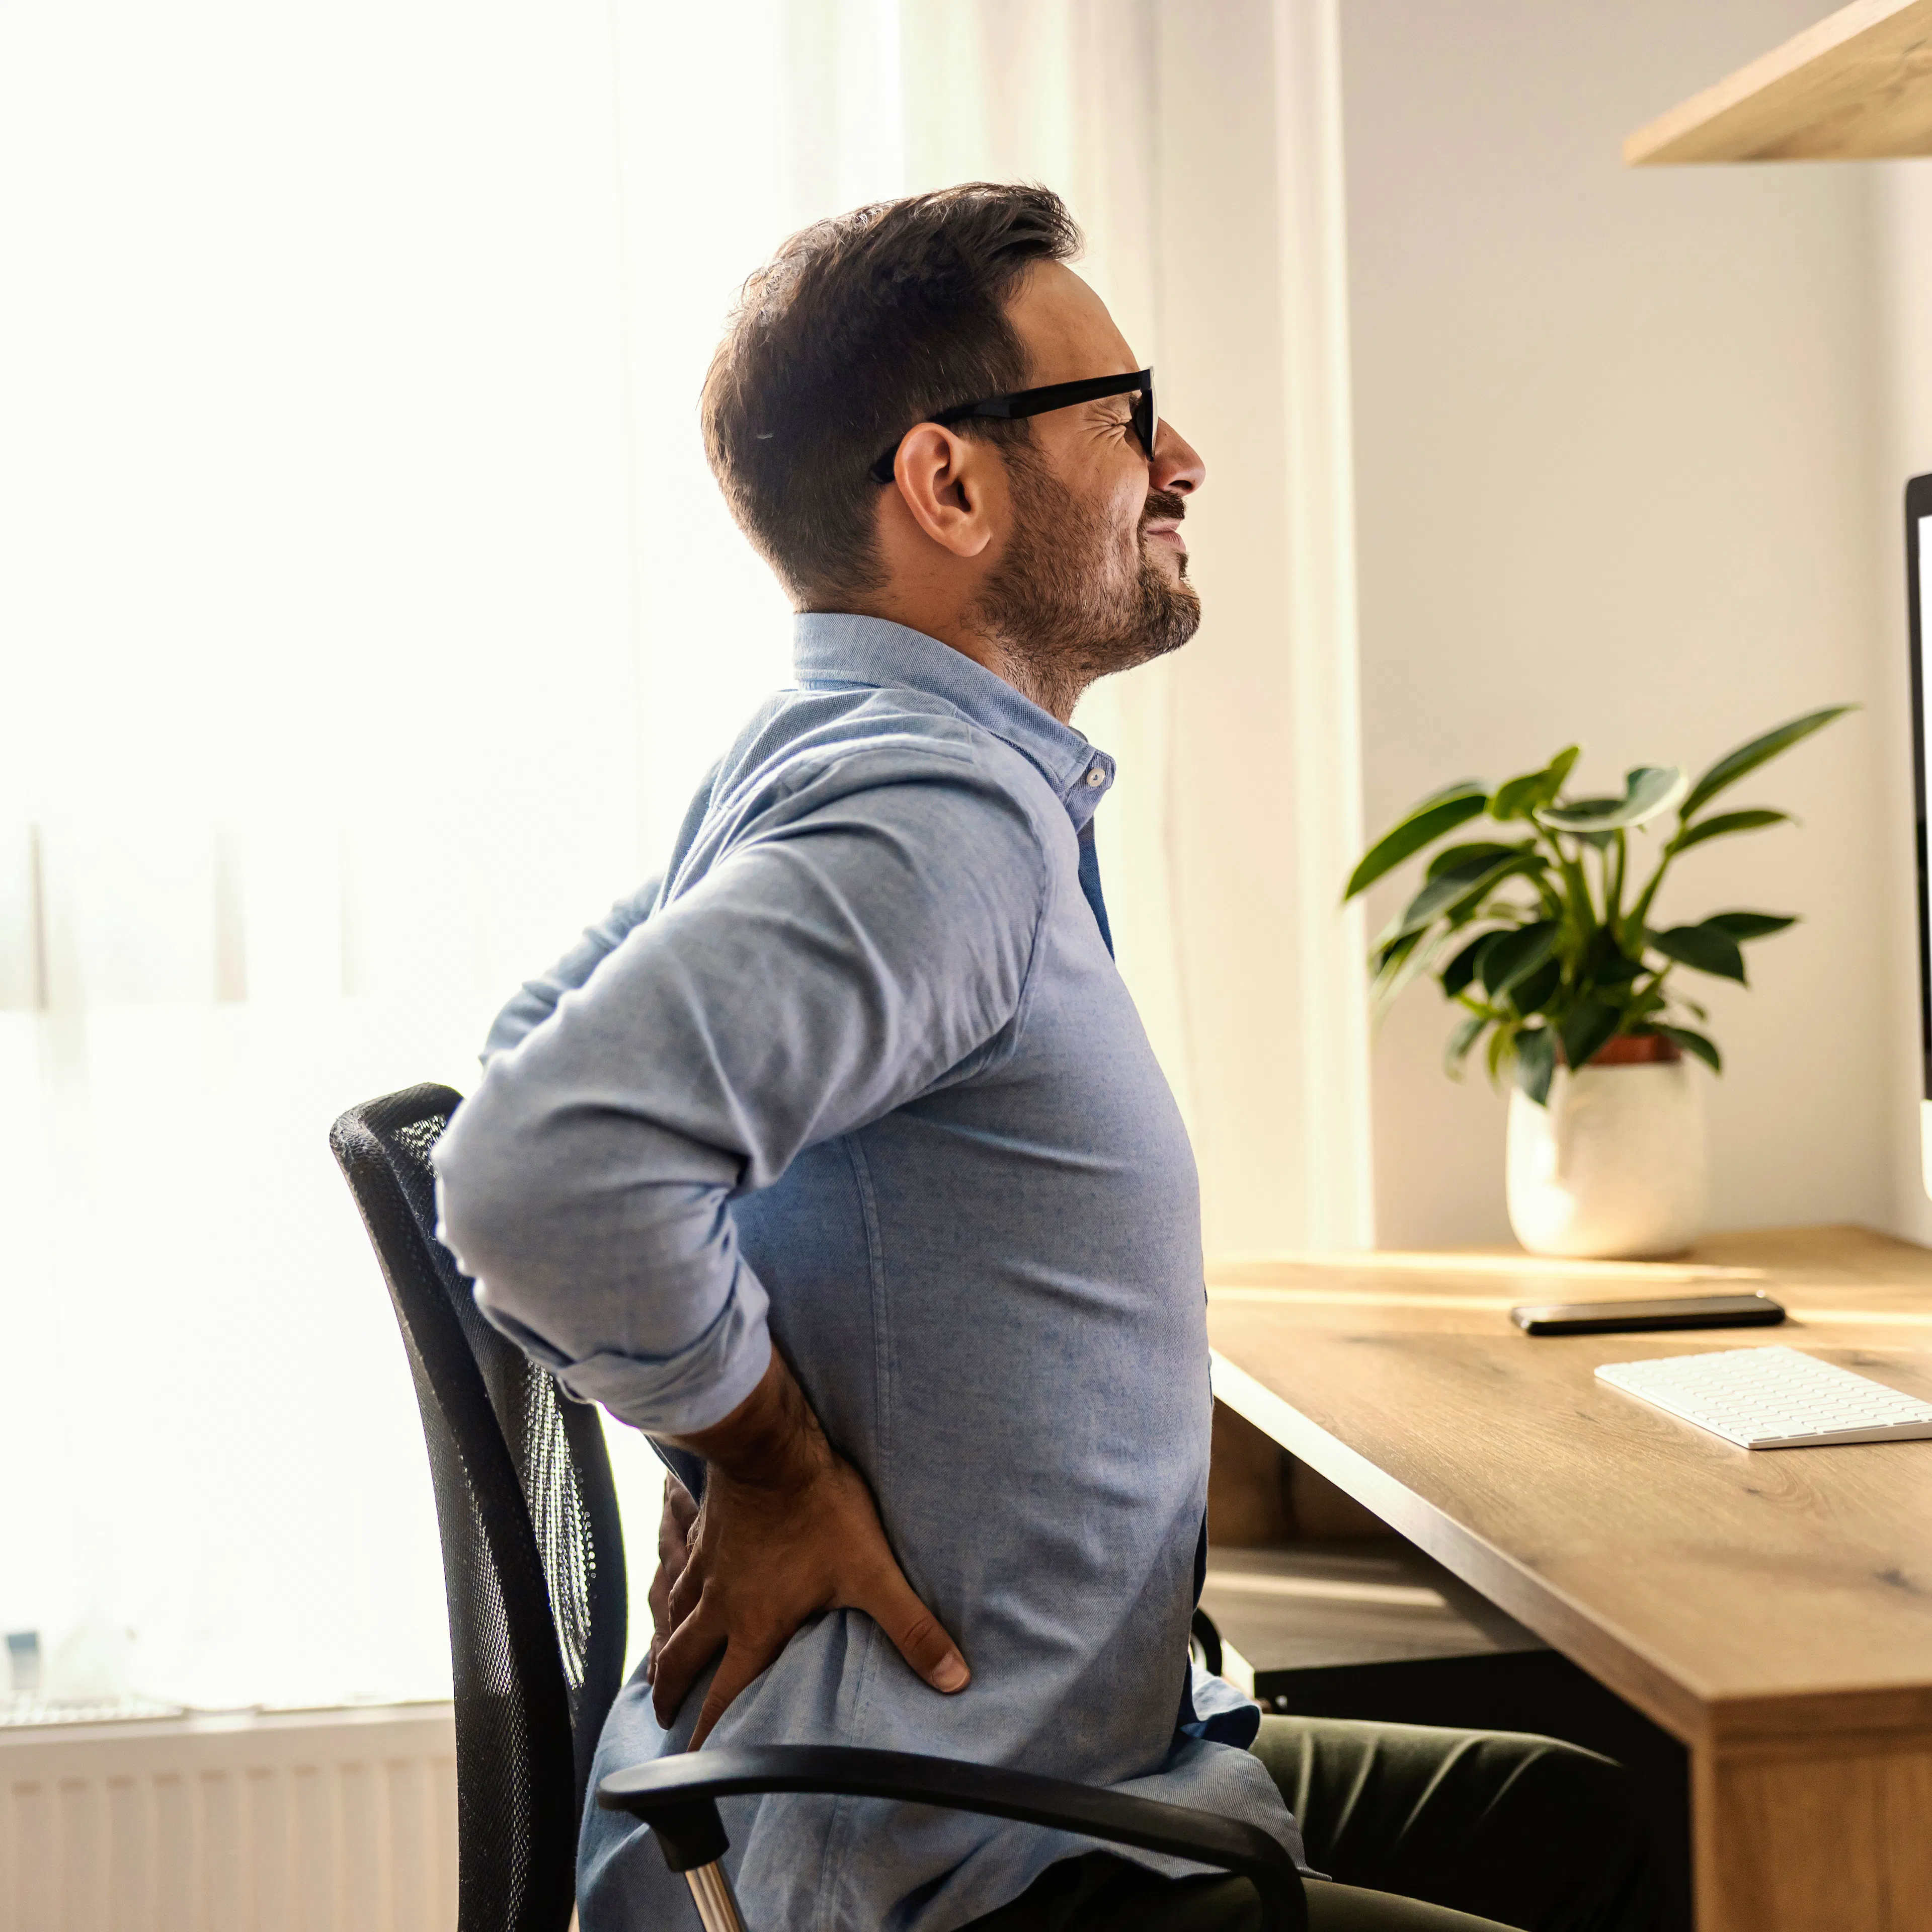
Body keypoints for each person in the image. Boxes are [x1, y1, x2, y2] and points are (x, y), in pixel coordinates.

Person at [433, 184, 1662, 1932]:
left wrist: (707, 1426)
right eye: (1130, 415)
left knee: (1577, 1819)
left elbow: (508, 1075)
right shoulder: (933, 817)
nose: (1188, 460)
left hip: (1042, 1773)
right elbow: (531, 1159)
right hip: (970, 1857)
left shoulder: (841, 752)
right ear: (950, 483)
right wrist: (759, 1458)